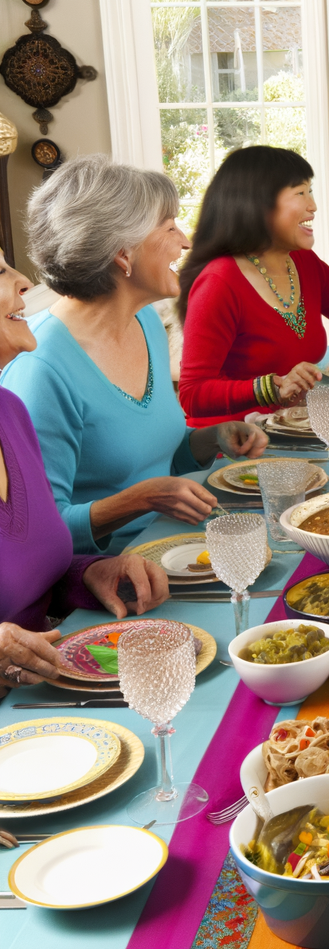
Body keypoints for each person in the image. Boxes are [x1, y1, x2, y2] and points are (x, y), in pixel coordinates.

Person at [0, 155, 268, 555]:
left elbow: (157, 460)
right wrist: (141, 500)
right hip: (108, 581)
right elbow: (38, 534)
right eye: (169, 227)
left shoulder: (145, 322)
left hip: (178, 548)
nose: (185, 240)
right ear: (123, 254)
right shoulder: (40, 371)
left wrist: (213, 437)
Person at [0, 250, 168, 699]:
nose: (22, 281)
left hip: (49, 693)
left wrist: (91, 572)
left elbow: (25, 575)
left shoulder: (9, 413)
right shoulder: (37, 376)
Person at [178, 146, 329, 425]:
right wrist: (270, 388)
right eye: (300, 193)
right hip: (236, 446)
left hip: (293, 430)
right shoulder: (219, 282)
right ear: (259, 204)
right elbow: (193, 394)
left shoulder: (305, 263)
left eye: (310, 191)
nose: (312, 206)